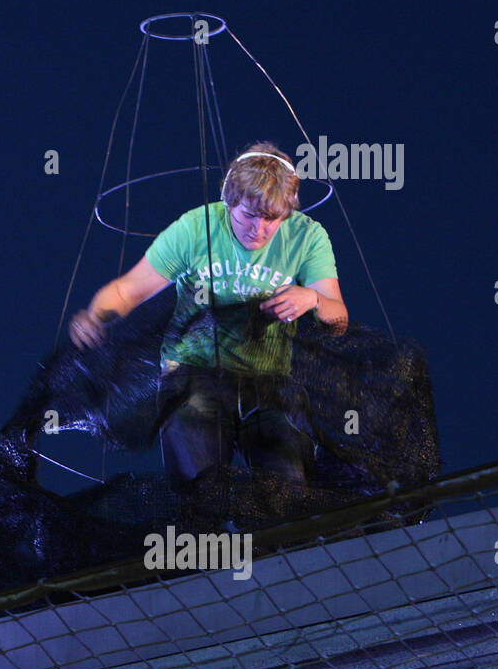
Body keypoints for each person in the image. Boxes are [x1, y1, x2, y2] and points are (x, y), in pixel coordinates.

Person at [69, 142, 349, 499]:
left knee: (289, 490)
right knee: (200, 494)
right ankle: (206, 549)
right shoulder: (194, 229)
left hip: (271, 380)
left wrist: (311, 298)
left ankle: (288, 550)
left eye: (272, 218)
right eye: (248, 215)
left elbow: (338, 318)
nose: (258, 230)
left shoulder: (308, 236)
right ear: (229, 200)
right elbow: (128, 290)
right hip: (193, 374)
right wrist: (95, 315)